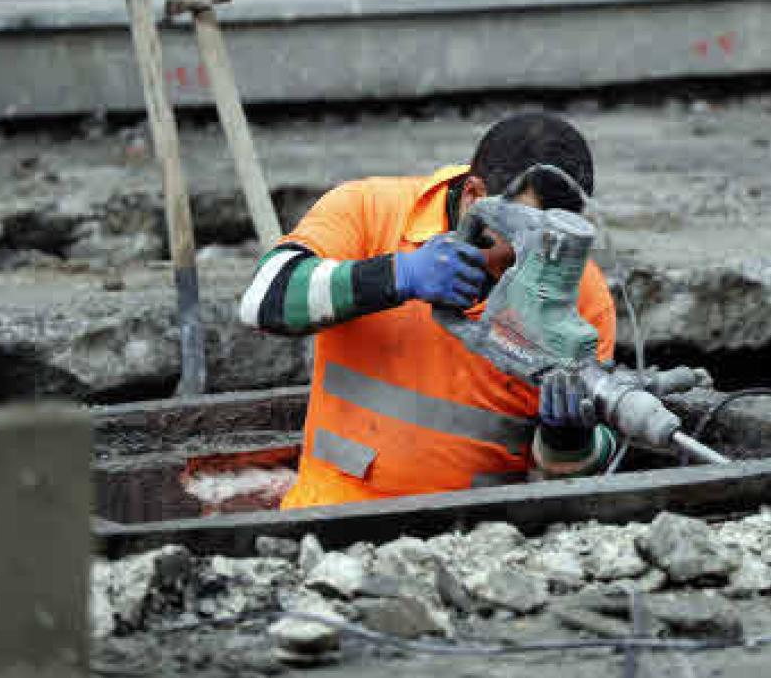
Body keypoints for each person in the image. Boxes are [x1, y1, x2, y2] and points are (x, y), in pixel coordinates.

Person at [239, 112, 618, 509]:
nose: (533, 265)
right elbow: (263, 300)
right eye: (519, 242)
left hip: (483, 539)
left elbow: (568, 488)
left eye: (552, 247)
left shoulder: (581, 297)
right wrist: (395, 275)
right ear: (474, 197)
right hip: (333, 516)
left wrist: (569, 441)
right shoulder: (371, 211)